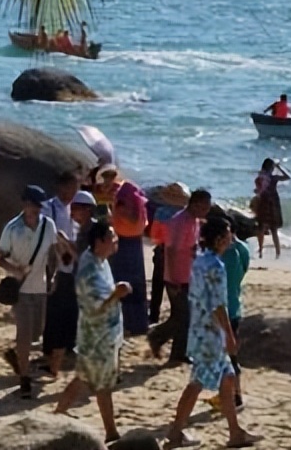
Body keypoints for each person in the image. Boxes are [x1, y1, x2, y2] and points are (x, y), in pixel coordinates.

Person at [163, 217, 259, 450]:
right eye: (226, 235)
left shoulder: (200, 260)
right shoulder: (216, 266)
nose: (230, 239)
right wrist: (229, 334)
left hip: (200, 329)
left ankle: (235, 432)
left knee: (227, 378)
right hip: (210, 334)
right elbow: (218, 305)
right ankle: (175, 433)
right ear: (218, 240)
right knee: (197, 383)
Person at [54, 218, 130, 442]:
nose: (116, 241)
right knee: (102, 386)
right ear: (100, 241)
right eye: (112, 238)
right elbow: (95, 306)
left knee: (83, 379)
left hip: (101, 336)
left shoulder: (96, 259)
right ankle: (111, 432)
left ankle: (57, 415)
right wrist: (117, 294)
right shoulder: (89, 271)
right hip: (97, 338)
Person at [0, 185, 55, 399]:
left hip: (40, 287)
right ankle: (24, 377)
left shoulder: (48, 225)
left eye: (39, 206)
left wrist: (52, 276)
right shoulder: (12, 228)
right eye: (33, 205)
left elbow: (52, 253)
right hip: (20, 289)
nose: (36, 210)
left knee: (37, 332)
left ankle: (16, 357)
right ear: (25, 204)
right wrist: (15, 270)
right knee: (24, 334)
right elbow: (0, 257)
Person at [148, 189, 212, 365]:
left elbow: (189, 245)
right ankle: (159, 337)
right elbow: (171, 250)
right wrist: (172, 278)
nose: (207, 211)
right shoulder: (179, 221)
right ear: (195, 204)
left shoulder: (194, 221)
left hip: (188, 273)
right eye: (205, 207)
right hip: (176, 276)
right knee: (183, 316)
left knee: (182, 315)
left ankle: (175, 349)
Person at [42, 172, 84, 378]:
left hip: (72, 265)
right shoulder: (48, 207)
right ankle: (50, 347)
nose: (74, 192)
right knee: (54, 309)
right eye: (72, 188)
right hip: (55, 266)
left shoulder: (74, 208)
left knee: (72, 307)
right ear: (62, 187)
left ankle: (68, 345)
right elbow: (48, 234)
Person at [111, 174, 150, 334]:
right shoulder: (135, 198)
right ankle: (137, 322)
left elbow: (132, 219)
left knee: (125, 282)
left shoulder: (123, 199)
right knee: (134, 283)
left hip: (125, 242)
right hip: (133, 242)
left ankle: (129, 322)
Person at [219, 221, 251, 410]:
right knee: (230, 355)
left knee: (227, 356)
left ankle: (234, 395)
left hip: (224, 309)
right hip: (234, 306)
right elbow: (243, 271)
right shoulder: (243, 249)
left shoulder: (225, 254)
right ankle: (233, 394)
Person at [250, 158, 290, 259]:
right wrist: (279, 167)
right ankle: (278, 253)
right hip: (273, 203)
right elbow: (287, 177)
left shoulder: (260, 178)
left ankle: (260, 251)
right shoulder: (273, 178)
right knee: (274, 230)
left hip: (263, 202)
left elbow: (258, 190)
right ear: (271, 167)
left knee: (261, 228)